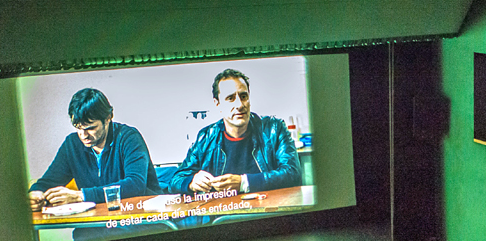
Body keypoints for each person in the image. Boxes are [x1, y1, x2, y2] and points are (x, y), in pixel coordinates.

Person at [170, 69, 302, 195]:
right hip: (223, 216)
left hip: (270, 211)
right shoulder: (206, 137)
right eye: (230, 98)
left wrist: (244, 183)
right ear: (218, 104)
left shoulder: (274, 129)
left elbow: (292, 173)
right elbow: (176, 180)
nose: (240, 105)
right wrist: (191, 183)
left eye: (243, 96)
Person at [28, 88, 161, 210]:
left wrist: (81, 196)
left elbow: (135, 185)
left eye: (91, 128)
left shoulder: (129, 138)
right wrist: (36, 193)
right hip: (97, 223)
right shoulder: (72, 144)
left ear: (108, 118)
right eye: (78, 127)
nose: (83, 135)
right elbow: (49, 181)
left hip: (138, 218)